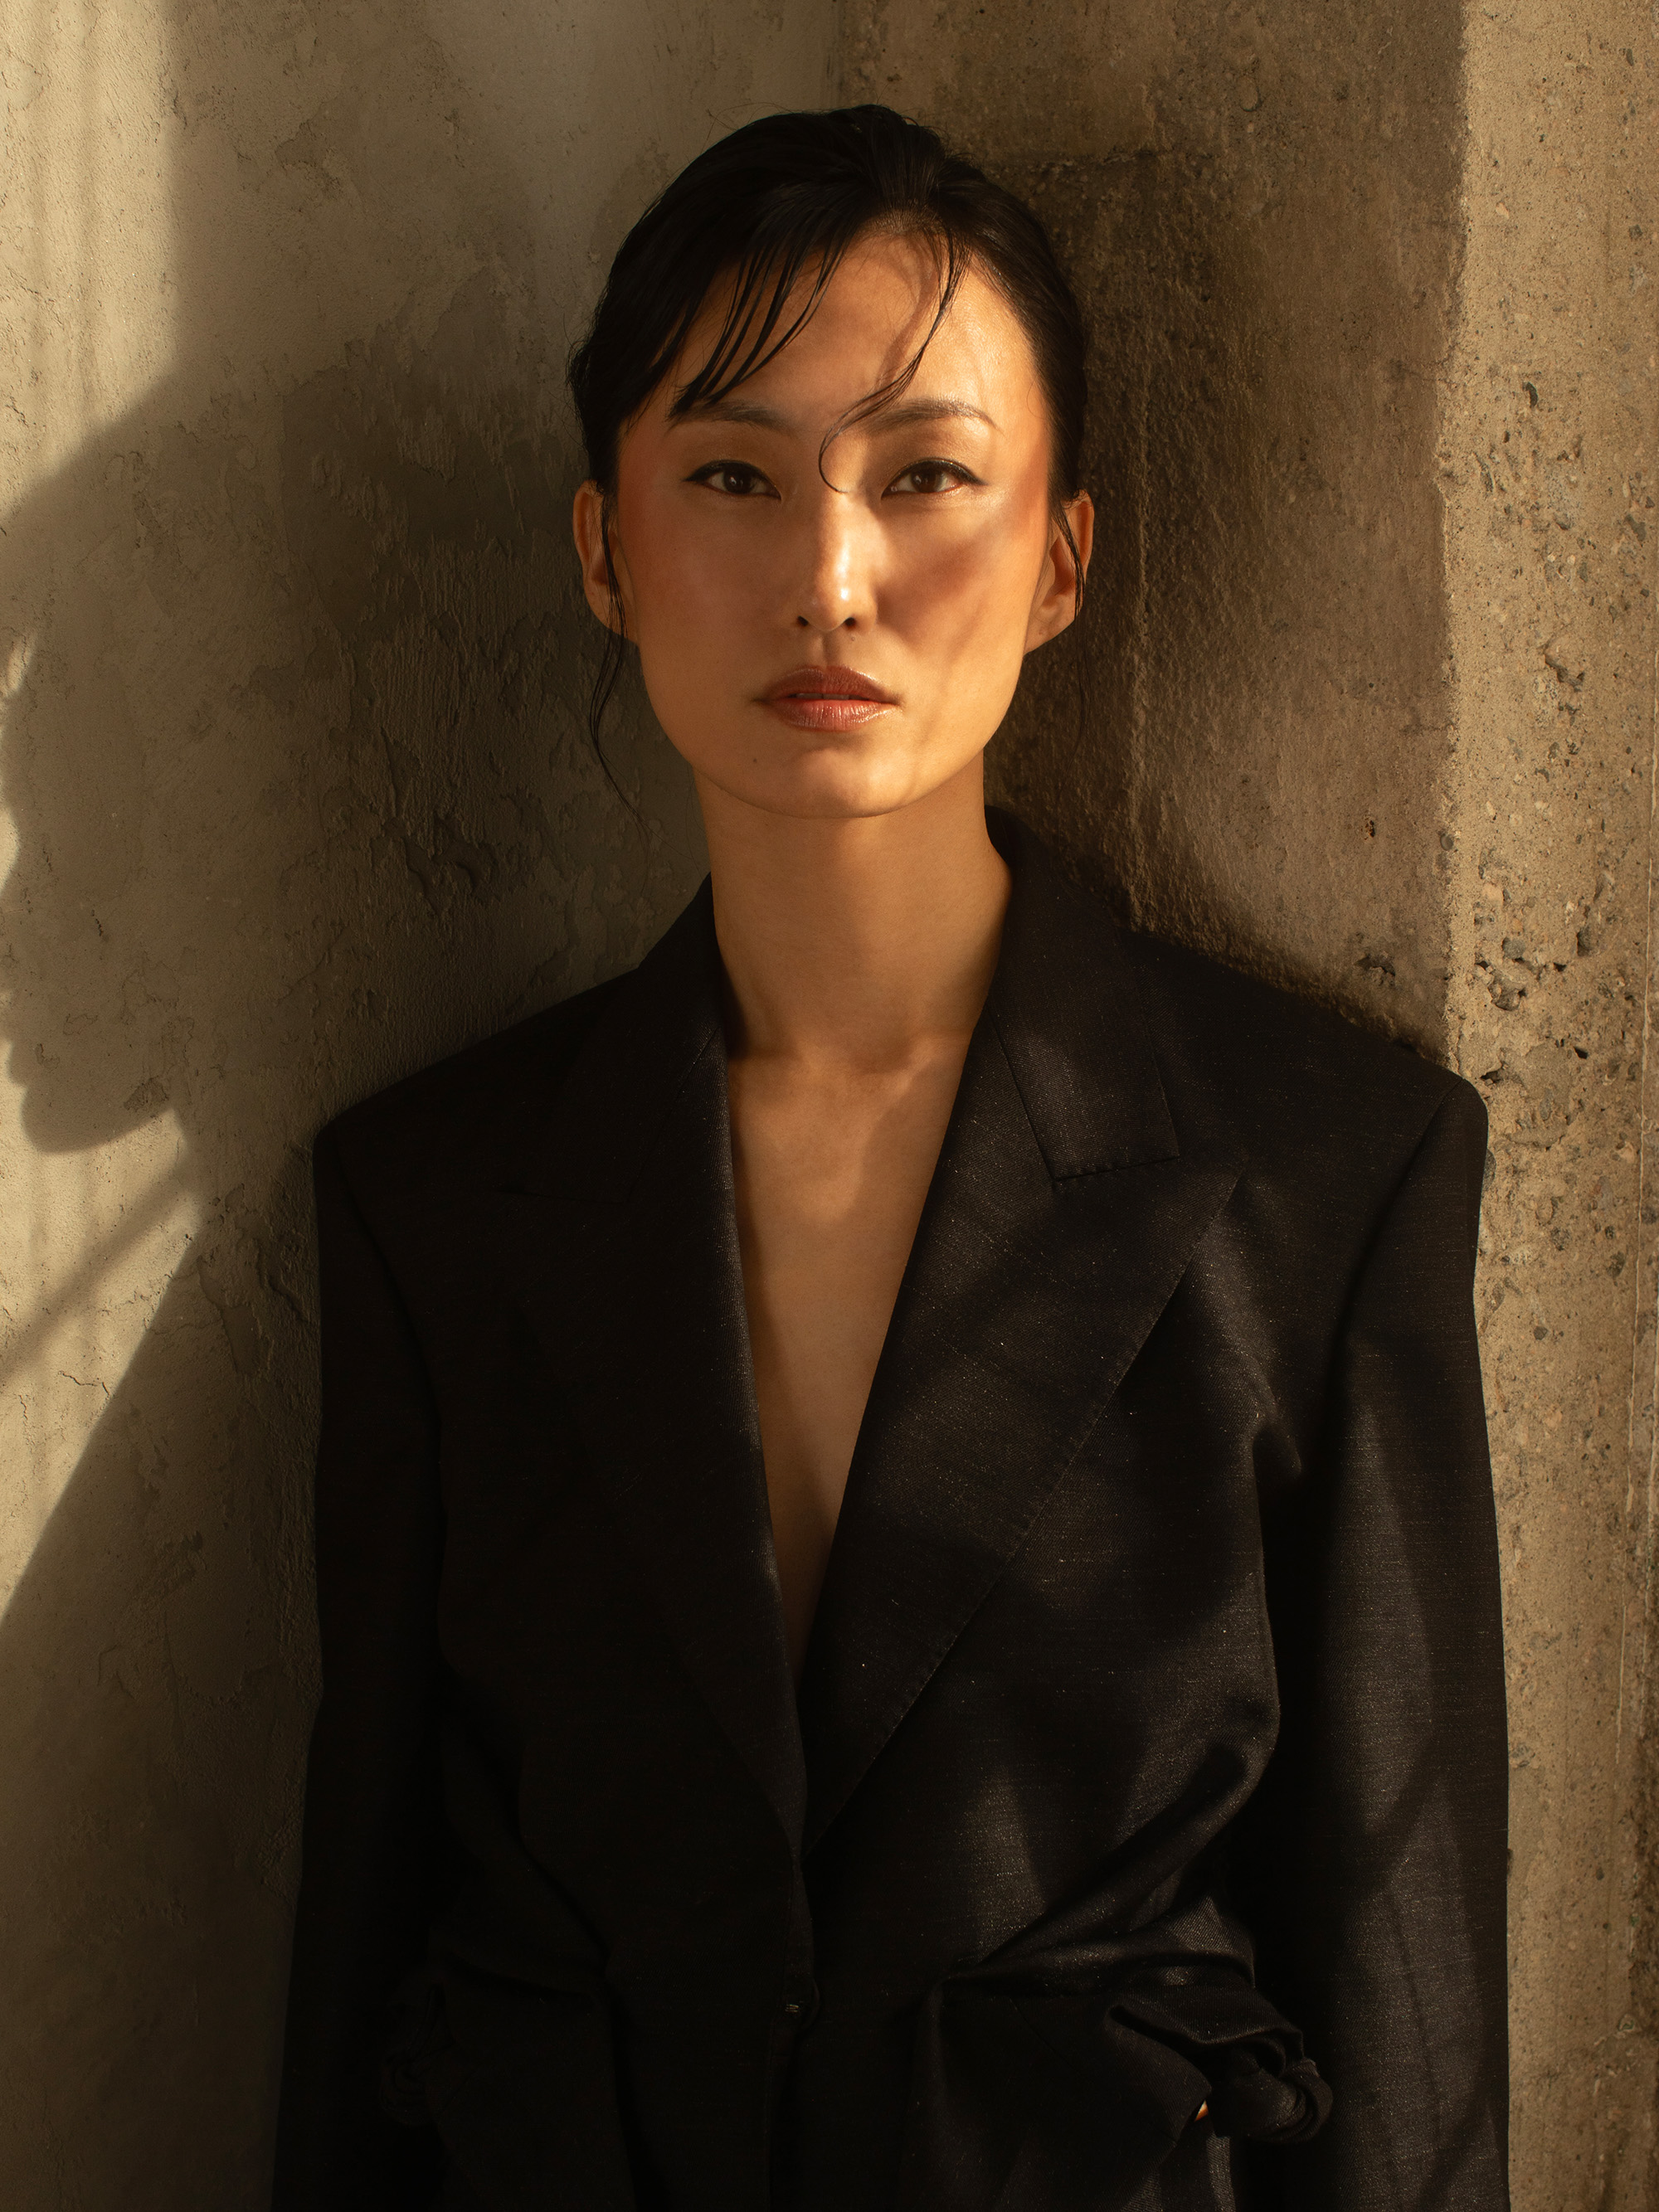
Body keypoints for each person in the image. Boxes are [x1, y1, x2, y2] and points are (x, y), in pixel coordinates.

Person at [271, 106, 1509, 2212]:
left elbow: (1399, 1973)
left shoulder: (1321, 1171)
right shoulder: (436, 1195)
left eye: (927, 476)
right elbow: (365, 1944)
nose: (830, 577)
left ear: (1058, 560)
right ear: (601, 551)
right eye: (733, 477)